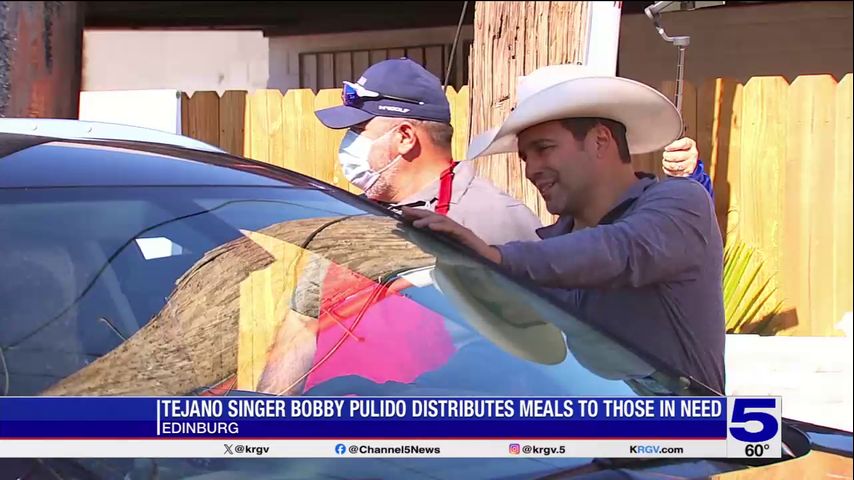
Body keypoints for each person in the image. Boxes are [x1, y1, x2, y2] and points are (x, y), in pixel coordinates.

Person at [403, 64, 726, 393]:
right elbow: (511, 349)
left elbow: (621, 250)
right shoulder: (551, 247)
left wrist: (497, 258)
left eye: (543, 149)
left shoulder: (681, 202)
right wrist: (406, 392)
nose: (531, 170)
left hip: (682, 423)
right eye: (525, 157)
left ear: (599, 141)